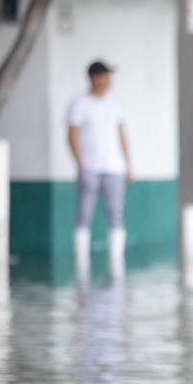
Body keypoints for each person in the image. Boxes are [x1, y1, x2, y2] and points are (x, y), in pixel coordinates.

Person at [67, 60, 132, 275]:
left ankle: (116, 264)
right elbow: (73, 136)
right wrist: (81, 164)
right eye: (105, 75)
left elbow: (121, 134)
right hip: (90, 168)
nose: (108, 80)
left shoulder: (115, 104)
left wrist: (127, 164)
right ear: (94, 77)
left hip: (113, 168)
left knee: (116, 213)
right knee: (84, 213)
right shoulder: (80, 104)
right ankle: (81, 264)